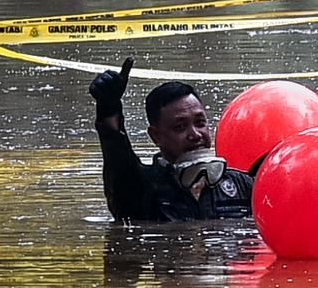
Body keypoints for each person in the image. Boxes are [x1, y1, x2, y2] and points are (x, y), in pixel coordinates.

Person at [89, 61, 253, 222]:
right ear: (156, 136)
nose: (195, 135)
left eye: (200, 123)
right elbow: (116, 154)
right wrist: (108, 111)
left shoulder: (241, 185)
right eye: (180, 127)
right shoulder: (139, 187)